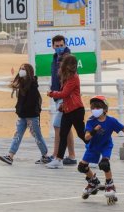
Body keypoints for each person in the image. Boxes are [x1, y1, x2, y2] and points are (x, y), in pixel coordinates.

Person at [79, 96, 124, 203]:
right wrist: (94, 130)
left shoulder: (111, 121)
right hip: (93, 146)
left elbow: (122, 128)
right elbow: (86, 137)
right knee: (82, 167)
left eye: (97, 107)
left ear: (105, 109)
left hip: (105, 145)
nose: (95, 110)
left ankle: (110, 184)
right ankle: (93, 182)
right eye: (93, 108)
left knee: (104, 164)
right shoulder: (91, 121)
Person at [0, 64, 51, 165]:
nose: (21, 71)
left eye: (23, 69)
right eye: (20, 69)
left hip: (32, 116)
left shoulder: (32, 85)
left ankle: (45, 156)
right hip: (22, 115)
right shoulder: (21, 83)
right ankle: (10, 156)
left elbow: (33, 102)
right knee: (17, 135)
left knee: (37, 136)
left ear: (28, 71)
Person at [46, 55, 87, 169]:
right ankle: (58, 160)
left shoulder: (73, 77)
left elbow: (64, 93)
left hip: (76, 110)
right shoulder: (68, 77)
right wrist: (63, 105)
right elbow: (67, 95)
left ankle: (96, 153)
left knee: (81, 133)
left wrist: (52, 93)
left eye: (72, 65)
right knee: (63, 134)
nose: (72, 67)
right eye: (70, 64)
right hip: (68, 110)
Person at [49, 35, 76, 165]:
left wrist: (62, 95)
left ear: (65, 44)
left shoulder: (68, 59)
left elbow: (70, 80)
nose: (59, 48)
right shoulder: (55, 58)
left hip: (64, 98)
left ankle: (56, 156)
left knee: (57, 126)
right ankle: (71, 156)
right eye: (57, 46)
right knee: (67, 128)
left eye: (61, 45)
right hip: (57, 97)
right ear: (53, 46)